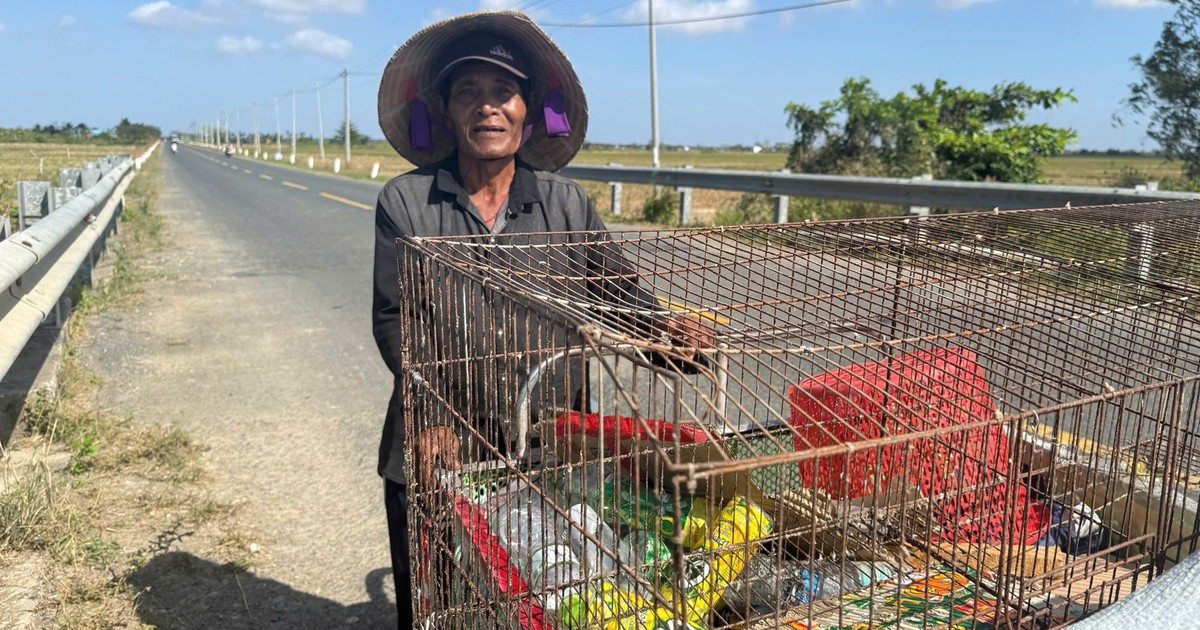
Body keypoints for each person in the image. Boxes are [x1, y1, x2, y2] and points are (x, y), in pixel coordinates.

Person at [372, 11, 714, 627]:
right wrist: (432, 418)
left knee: (550, 602)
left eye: (504, 93)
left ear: (529, 111)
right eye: (468, 93)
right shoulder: (406, 201)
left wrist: (668, 335)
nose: (487, 108)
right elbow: (396, 323)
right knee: (436, 608)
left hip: (549, 451)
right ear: (447, 111)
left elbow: (618, 300)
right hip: (441, 445)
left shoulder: (565, 202)